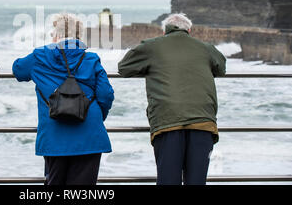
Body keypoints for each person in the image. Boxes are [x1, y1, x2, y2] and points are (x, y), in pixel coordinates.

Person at [118, 13, 226, 185]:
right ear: (189, 30)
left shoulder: (151, 47)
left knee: (168, 180)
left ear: (165, 31)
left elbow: (123, 68)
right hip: (203, 120)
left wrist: (150, 68)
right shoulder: (206, 47)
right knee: (197, 181)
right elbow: (221, 68)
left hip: (168, 121)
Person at [12, 13, 115, 185]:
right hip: (89, 135)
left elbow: (18, 70)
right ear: (78, 36)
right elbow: (106, 94)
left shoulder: (40, 56)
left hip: (55, 136)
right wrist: (96, 116)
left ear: (57, 35)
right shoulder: (91, 59)